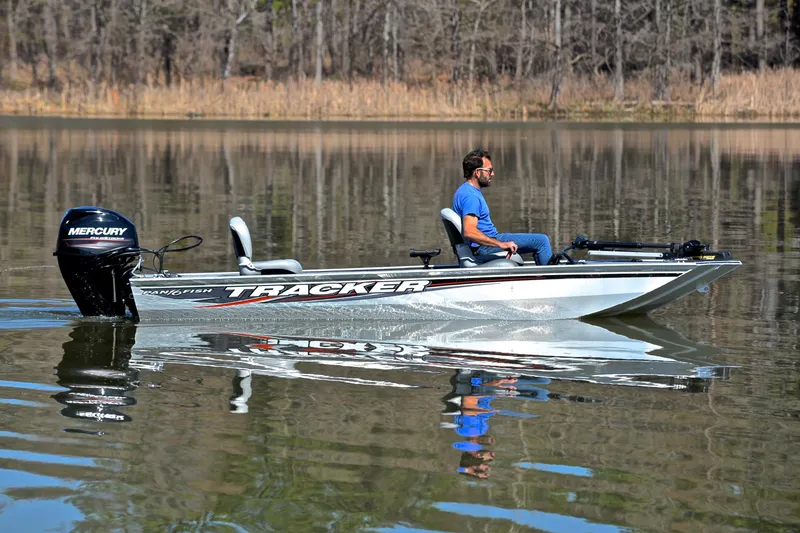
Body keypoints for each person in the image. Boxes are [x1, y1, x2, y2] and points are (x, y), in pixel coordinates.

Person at [453, 148, 554, 265]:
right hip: (484, 247)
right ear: (477, 172)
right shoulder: (470, 197)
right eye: (489, 170)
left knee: (538, 241)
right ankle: (550, 277)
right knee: (541, 241)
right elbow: (469, 231)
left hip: (487, 243)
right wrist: (501, 244)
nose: (492, 174)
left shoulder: (464, 190)